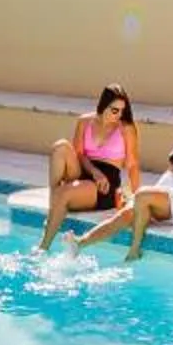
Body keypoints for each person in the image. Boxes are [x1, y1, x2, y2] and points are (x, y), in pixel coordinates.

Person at [76, 96, 173, 262]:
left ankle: (135, 249)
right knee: (126, 214)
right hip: (166, 189)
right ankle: (80, 243)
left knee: (141, 195)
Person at [38, 86, 138, 251]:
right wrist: (94, 171)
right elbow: (79, 154)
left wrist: (134, 197)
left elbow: (133, 165)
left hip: (106, 182)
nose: (119, 115)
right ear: (103, 105)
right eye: (114, 110)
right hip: (86, 169)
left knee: (65, 193)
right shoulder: (85, 121)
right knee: (60, 146)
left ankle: (43, 247)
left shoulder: (126, 128)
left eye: (122, 110)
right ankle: (53, 208)